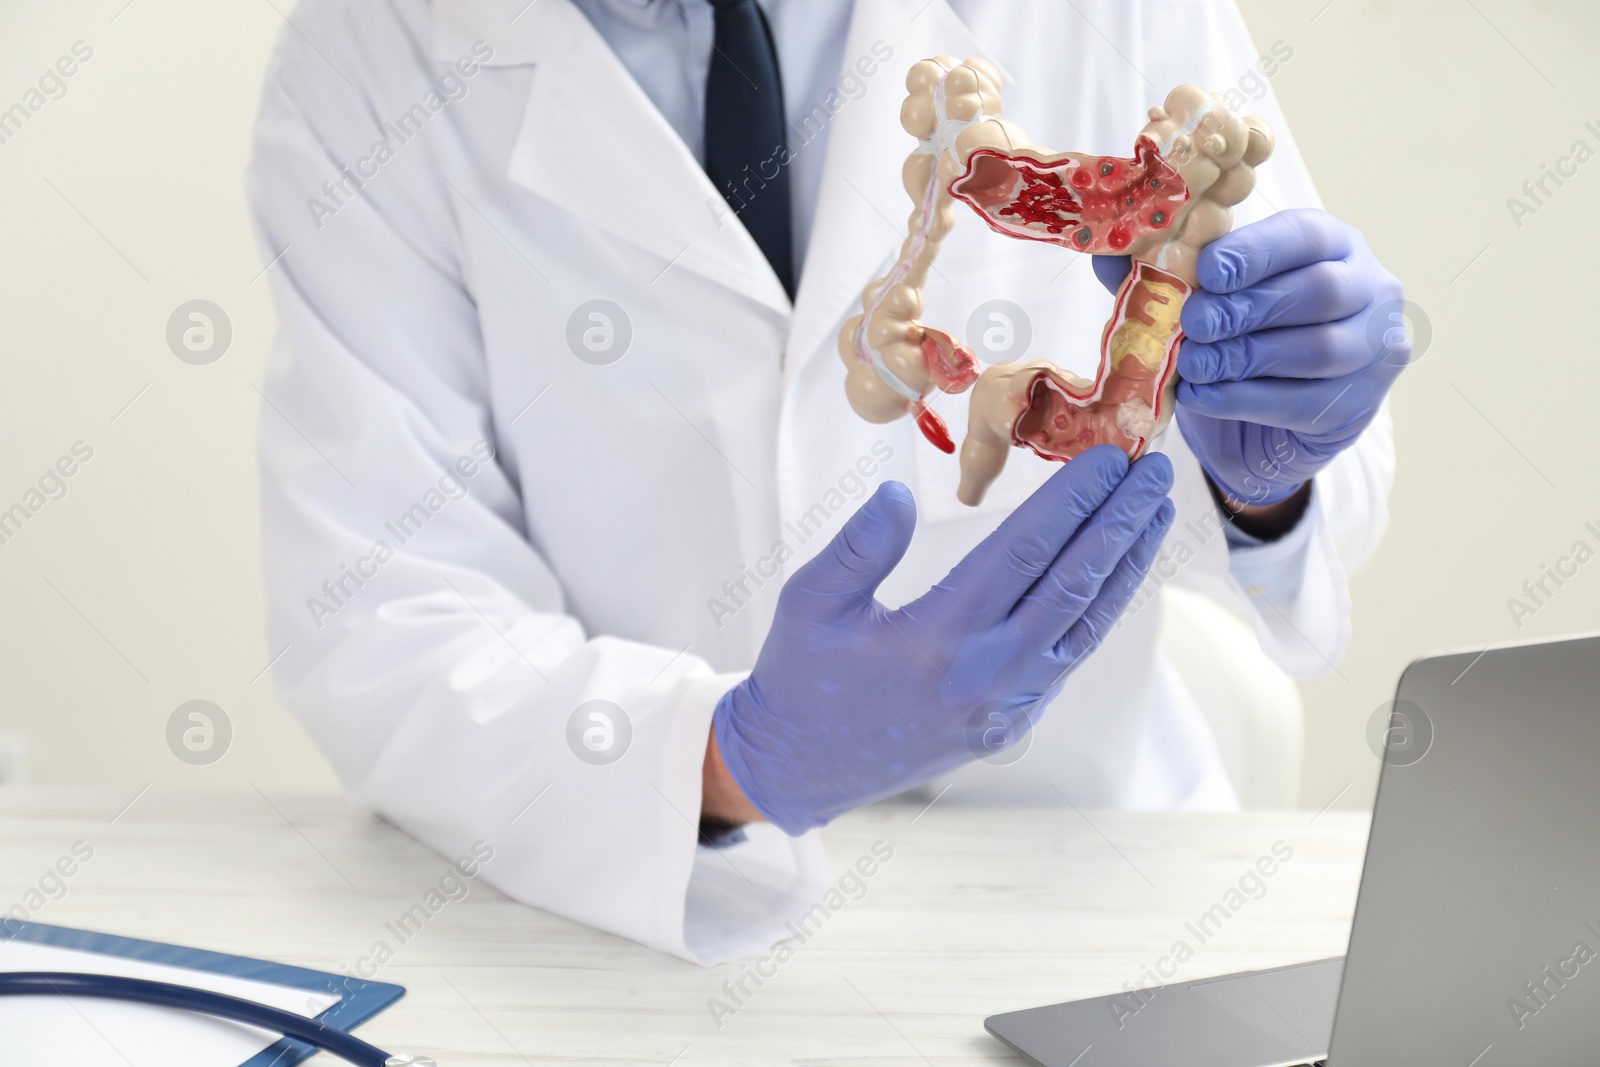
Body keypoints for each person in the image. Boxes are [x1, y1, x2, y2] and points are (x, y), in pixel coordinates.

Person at [248, 0, 1404, 964]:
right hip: (635, 943)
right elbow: (384, 619)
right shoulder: (374, 52)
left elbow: (1311, 491)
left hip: (1098, 912)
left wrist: (1269, 464)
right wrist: (729, 756)